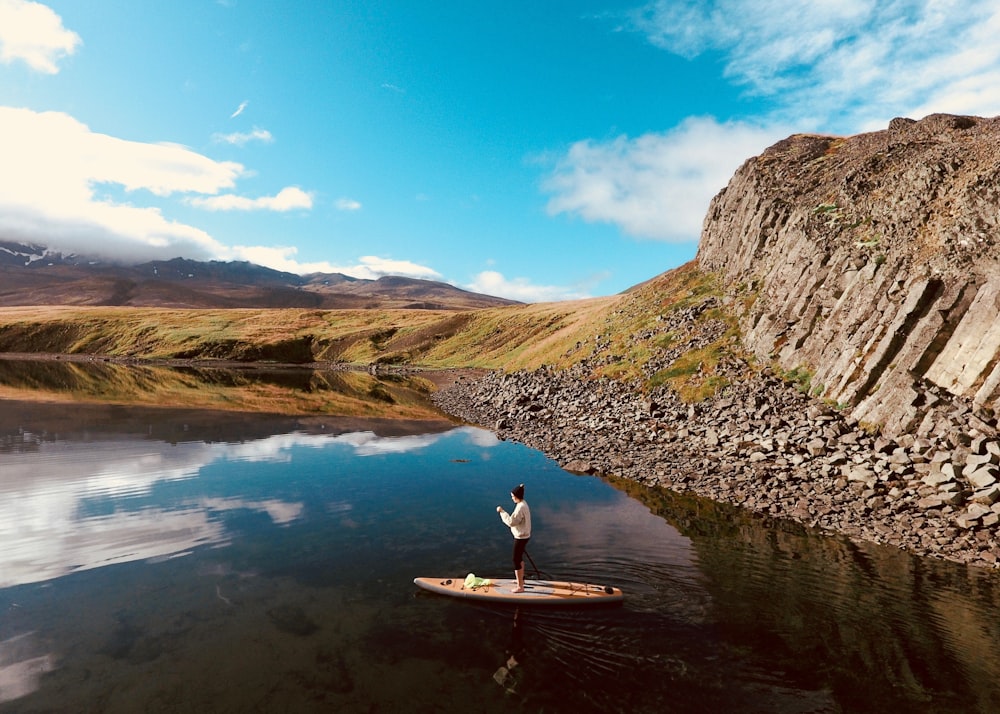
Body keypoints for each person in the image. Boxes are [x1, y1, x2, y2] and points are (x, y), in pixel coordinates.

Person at [496, 483, 532, 593]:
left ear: (517, 496)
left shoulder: (520, 507)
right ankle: (521, 580)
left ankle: (520, 587)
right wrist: (521, 487)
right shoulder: (523, 503)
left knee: (516, 560)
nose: (512, 498)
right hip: (524, 535)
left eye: (512, 496)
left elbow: (511, 522)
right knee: (519, 557)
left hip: (521, 537)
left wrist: (502, 512)